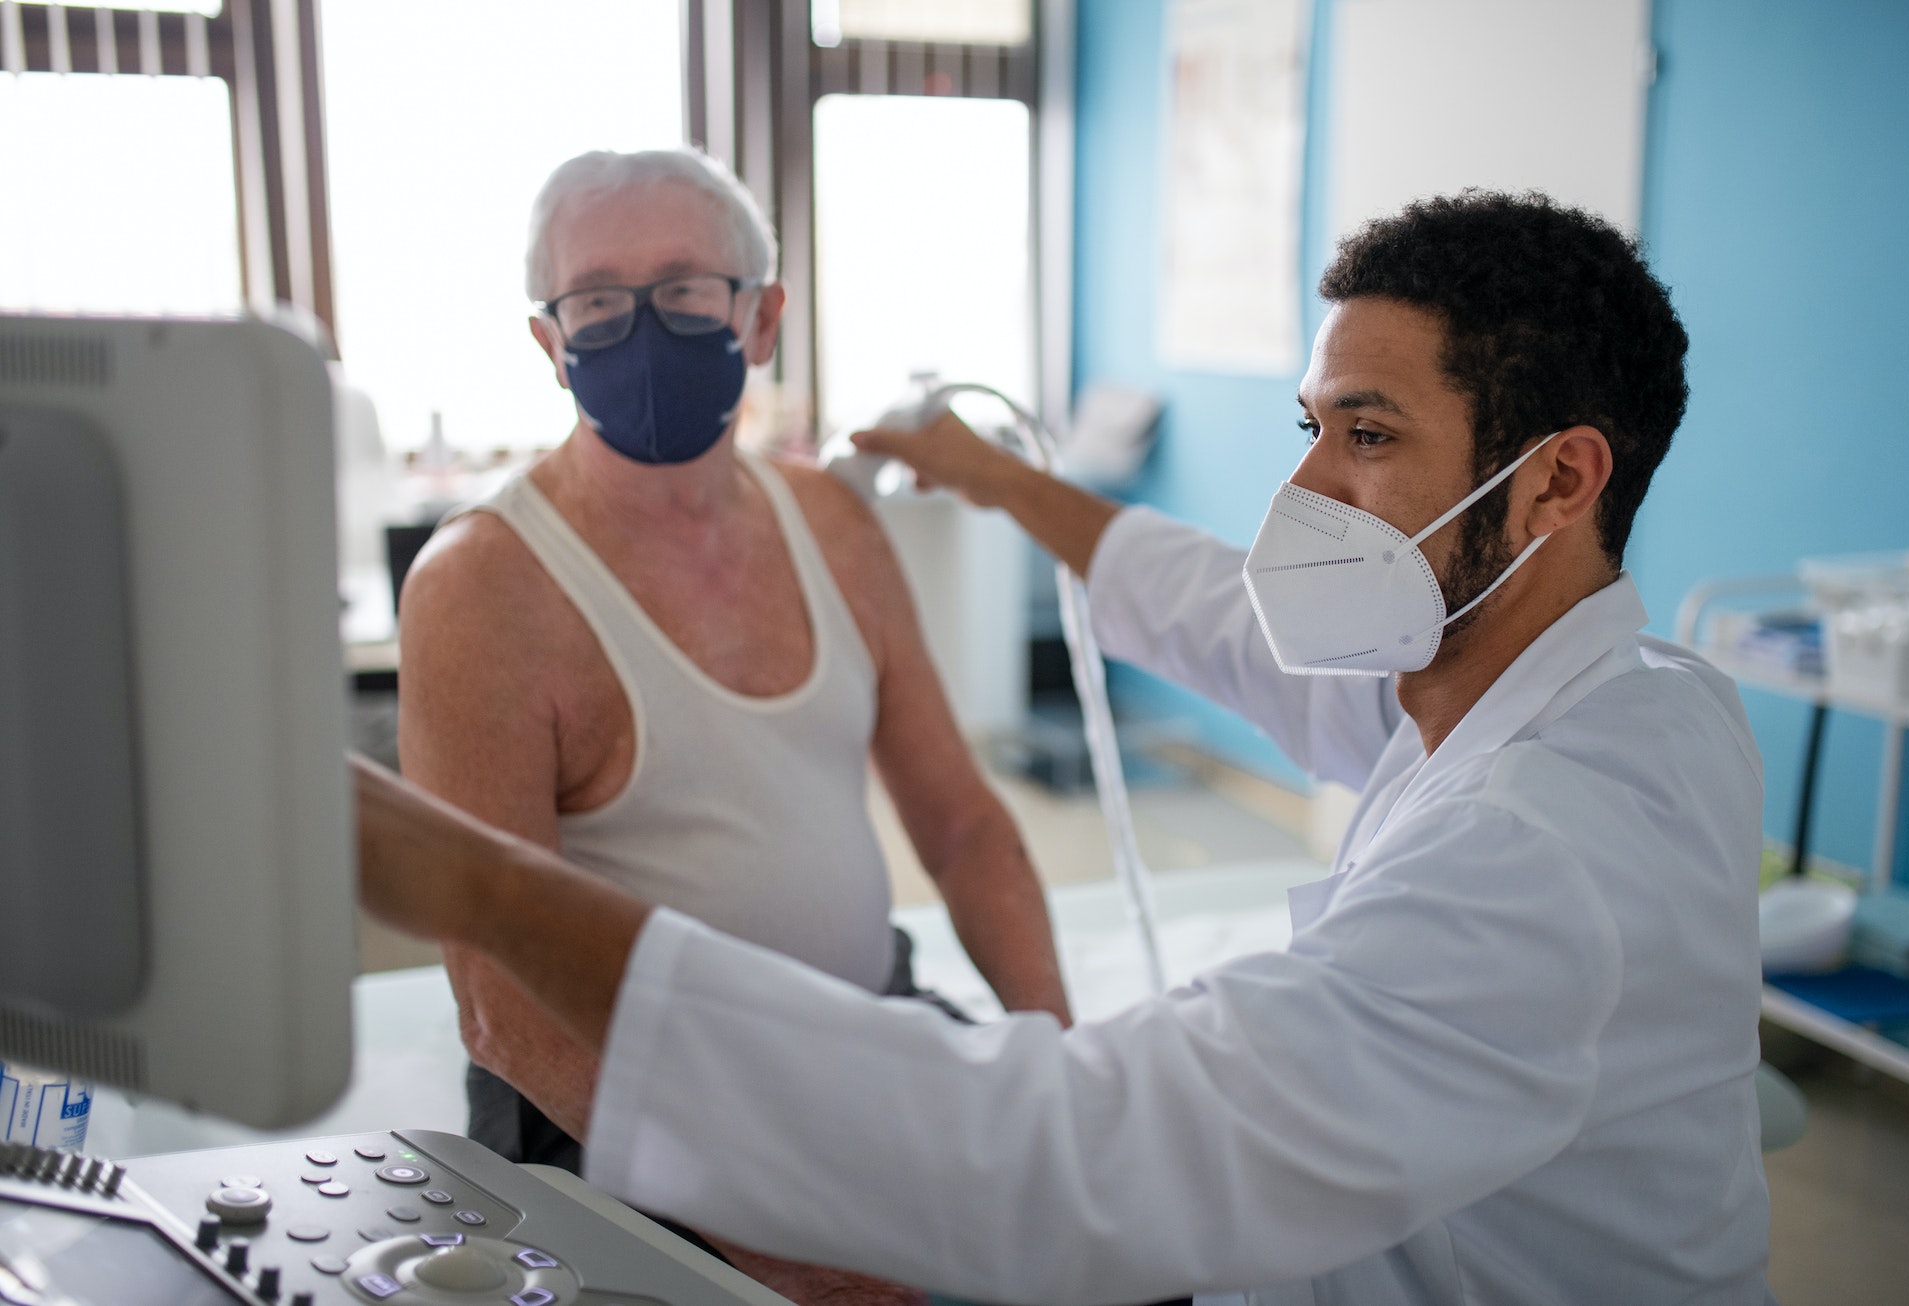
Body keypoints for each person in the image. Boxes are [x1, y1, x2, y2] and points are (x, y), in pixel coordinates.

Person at [360, 192, 1770, 1306]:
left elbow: (1086, 1143)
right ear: (543, 333)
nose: (1302, 489)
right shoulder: (1618, 689)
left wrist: (478, 887)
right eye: (1310, 426)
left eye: (1369, 433)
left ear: (1558, 481)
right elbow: (1222, 614)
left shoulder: (1536, 848)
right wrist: (992, 475)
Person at [394, 148, 1069, 1304]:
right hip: (614, 1094)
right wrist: (773, 1242)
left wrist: (1062, 1084)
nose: (642, 327)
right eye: (599, 300)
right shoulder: (484, 586)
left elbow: (960, 826)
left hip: (858, 1021)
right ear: (550, 345)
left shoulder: (832, 526)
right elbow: (498, 1002)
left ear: (762, 319)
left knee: (1120, 1251)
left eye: (687, 290)